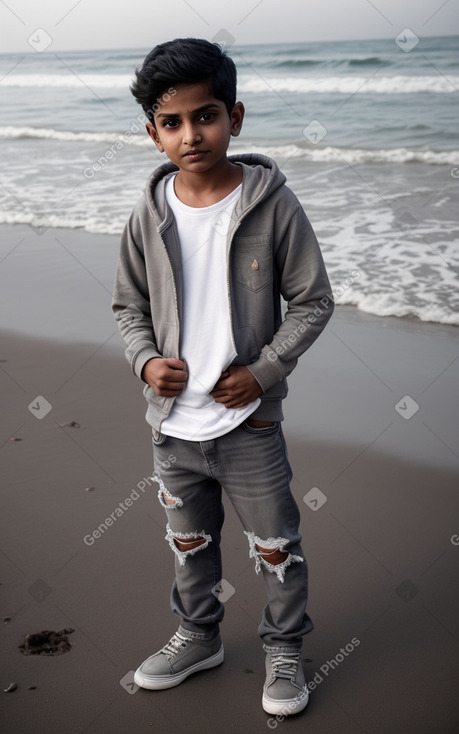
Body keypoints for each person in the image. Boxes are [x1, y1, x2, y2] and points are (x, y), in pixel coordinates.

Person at [112, 37, 334, 717]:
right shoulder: (147, 215)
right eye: (172, 123)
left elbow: (313, 300)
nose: (190, 134)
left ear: (234, 117)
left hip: (250, 424)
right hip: (171, 427)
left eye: (204, 116)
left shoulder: (272, 206)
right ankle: (198, 636)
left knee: (276, 547)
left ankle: (285, 647)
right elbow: (128, 307)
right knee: (189, 545)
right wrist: (147, 361)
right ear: (153, 134)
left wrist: (264, 371)